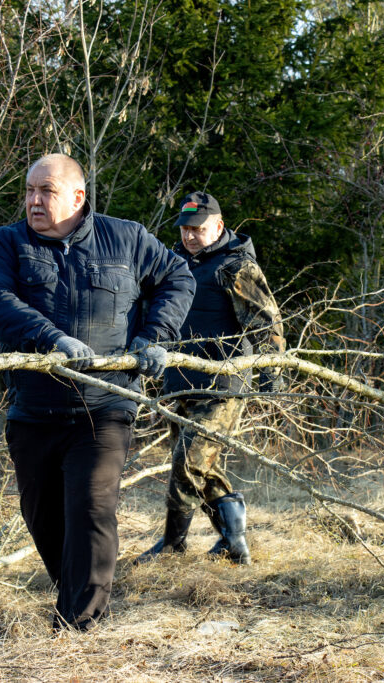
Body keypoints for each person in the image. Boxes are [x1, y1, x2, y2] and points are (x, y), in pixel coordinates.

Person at [0, 154, 195, 630]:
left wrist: (155, 335)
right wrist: (51, 337)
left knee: (92, 509)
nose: (34, 201)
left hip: (105, 407)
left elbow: (178, 278)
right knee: (44, 517)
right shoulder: (7, 244)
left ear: (78, 197)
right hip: (34, 410)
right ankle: (73, 595)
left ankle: (79, 626)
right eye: (30, 191)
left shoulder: (127, 238)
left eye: (46, 191)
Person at [135, 191, 285, 566]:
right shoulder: (174, 264)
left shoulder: (236, 267)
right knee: (202, 469)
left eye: (197, 229)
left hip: (222, 387)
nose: (189, 236)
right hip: (180, 383)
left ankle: (172, 546)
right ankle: (234, 543)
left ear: (218, 226)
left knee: (187, 465)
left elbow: (267, 322)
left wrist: (272, 374)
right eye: (185, 229)